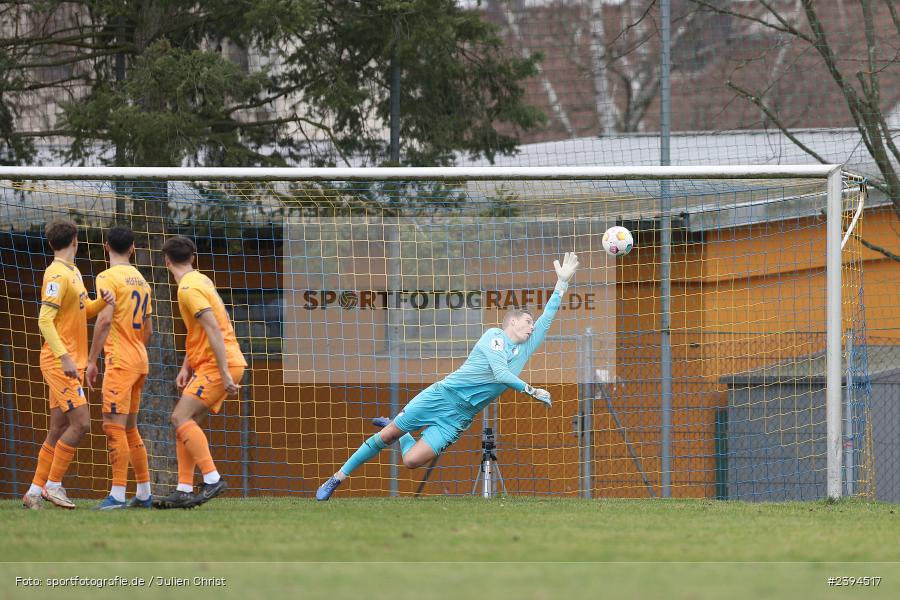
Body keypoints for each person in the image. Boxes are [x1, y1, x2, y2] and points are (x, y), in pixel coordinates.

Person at [316, 252, 580, 501]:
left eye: (533, 324)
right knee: (387, 436)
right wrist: (532, 391)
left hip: (459, 417)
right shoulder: (493, 337)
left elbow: (547, 317)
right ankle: (337, 478)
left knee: (410, 461)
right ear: (512, 322)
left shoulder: (525, 348)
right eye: (527, 322)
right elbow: (500, 374)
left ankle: (399, 427)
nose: (532, 327)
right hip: (442, 396)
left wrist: (562, 283)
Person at [22, 219, 114, 510]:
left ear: (51, 243)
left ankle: (34, 492)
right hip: (59, 362)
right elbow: (44, 320)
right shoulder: (56, 275)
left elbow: (83, 310)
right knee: (82, 423)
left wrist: (102, 301)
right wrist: (64, 358)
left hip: (68, 360)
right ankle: (54, 485)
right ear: (75, 240)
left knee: (59, 426)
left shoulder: (73, 272)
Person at [154, 235, 246, 509]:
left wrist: (224, 373)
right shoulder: (201, 280)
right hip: (216, 362)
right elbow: (203, 330)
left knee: (179, 417)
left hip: (221, 364)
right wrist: (187, 365)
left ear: (166, 260)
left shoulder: (188, 289)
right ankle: (183, 489)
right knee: (186, 422)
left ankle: (212, 478)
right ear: (193, 257)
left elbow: (214, 329)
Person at [85, 226, 154, 509]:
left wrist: (91, 360)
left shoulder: (107, 277)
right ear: (133, 248)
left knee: (113, 426)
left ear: (105, 246)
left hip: (120, 362)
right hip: (140, 359)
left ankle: (116, 495)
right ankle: (144, 493)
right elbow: (148, 329)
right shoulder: (142, 280)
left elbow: (103, 320)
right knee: (130, 428)